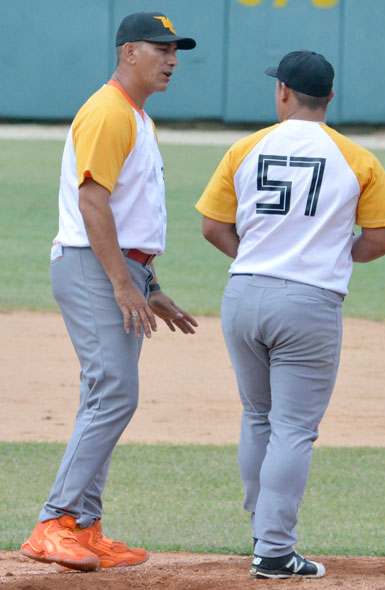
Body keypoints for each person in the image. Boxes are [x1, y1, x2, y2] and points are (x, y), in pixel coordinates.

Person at [195, 50, 385, 580]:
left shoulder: (245, 148)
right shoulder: (358, 159)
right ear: (330, 97)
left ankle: (261, 529)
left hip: (242, 295)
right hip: (309, 303)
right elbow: (380, 240)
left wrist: (260, 255)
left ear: (283, 92)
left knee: (257, 417)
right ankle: (274, 550)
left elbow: (213, 227)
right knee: (292, 428)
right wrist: (330, 253)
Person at [21, 12, 198, 573]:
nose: (171, 59)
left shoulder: (134, 115)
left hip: (119, 268)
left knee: (104, 393)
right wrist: (123, 283)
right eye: (160, 48)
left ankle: (86, 526)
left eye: (176, 50)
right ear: (128, 52)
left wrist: (150, 284)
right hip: (93, 266)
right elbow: (92, 203)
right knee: (115, 392)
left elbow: (129, 213)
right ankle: (53, 523)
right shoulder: (107, 111)